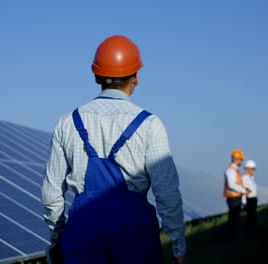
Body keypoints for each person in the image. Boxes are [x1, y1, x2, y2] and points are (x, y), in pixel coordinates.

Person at [42, 35, 187, 264]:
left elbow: (51, 193)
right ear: (136, 77)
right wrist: (178, 246)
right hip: (134, 234)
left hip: (82, 231)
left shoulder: (67, 122)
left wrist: (57, 235)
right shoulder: (150, 125)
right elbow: (167, 194)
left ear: (96, 75)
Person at [224, 149, 249, 239]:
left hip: (236, 198)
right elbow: (231, 185)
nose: (241, 162)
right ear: (236, 159)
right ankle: (231, 238)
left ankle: (233, 237)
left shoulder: (235, 171)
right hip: (233, 198)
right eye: (241, 159)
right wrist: (243, 191)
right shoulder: (230, 171)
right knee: (233, 219)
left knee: (235, 219)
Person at [242, 160, 258, 238]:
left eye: (254, 169)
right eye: (253, 169)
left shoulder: (250, 178)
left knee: (253, 218)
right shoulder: (245, 178)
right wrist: (244, 202)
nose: (254, 171)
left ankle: (251, 233)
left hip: (253, 200)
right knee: (250, 218)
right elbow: (245, 191)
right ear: (248, 169)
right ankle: (249, 235)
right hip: (249, 201)